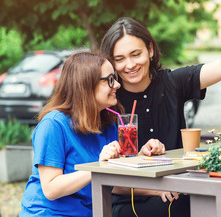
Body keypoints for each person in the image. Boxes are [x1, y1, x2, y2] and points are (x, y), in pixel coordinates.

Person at [100, 3, 221, 151]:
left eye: (136, 54)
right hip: (131, 194)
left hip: (179, 188)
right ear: (112, 61)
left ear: (150, 50)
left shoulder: (173, 82)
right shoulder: (108, 100)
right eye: (120, 59)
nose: (130, 65)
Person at [19, 52, 172, 216]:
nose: (117, 85)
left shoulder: (106, 125)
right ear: (86, 85)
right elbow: (51, 188)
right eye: (110, 80)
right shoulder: (54, 125)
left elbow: (113, 183)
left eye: (115, 78)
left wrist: (145, 165)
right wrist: (98, 168)